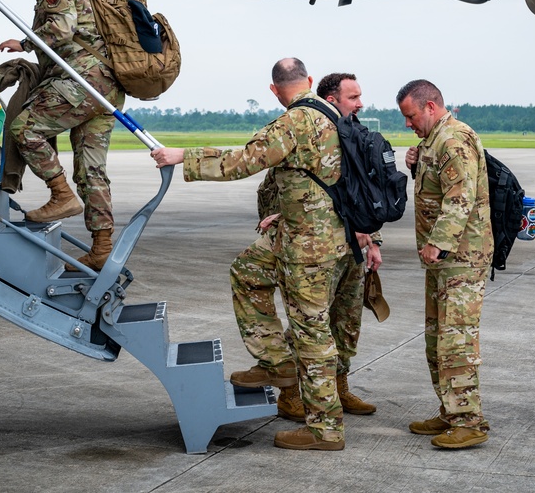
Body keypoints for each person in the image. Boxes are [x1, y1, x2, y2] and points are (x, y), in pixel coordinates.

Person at [151, 58, 351, 451]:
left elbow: (242, 162)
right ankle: (277, 362)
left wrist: (183, 157)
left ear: (275, 90)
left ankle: (325, 429)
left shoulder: (294, 122)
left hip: (309, 245)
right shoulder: (331, 113)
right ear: (309, 81)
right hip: (314, 233)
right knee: (246, 271)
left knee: (312, 333)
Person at [229, 73, 382, 423]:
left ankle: (338, 389)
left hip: (350, 246)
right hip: (315, 243)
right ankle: (291, 394)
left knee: (345, 323)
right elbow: (285, 187)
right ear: (331, 97)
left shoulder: (353, 134)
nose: (359, 104)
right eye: (353, 97)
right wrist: (281, 215)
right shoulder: (314, 129)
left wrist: (374, 240)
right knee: (310, 320)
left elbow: (368, 194)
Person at [0, 0, 124, 270]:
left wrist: (24, 43)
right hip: (105, 89)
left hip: (80, 83)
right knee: (92, 171)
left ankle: (61, 195)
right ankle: (102, 248)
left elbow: (61, 32)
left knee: (24, 127)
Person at [398, 79, 493, 449]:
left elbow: (460, 196)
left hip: (461, 258)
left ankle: (468, 422)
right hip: (444, 261)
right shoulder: (433, 141)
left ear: (431, 107)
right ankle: (450, 410)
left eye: (411, 115)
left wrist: (438, 242)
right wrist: (415, 163)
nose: (409, 123)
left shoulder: (453, 139)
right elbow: (437, 189)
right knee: (437, 339)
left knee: (456, 341)